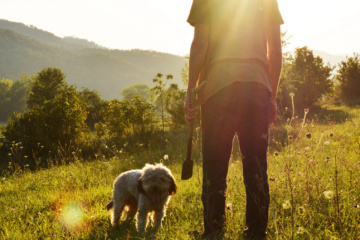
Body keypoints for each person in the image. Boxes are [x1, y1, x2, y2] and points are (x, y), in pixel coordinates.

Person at [184, 0, 284, 239]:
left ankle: (214, 231)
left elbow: (200, 45)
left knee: (215, 165)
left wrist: (190, 91)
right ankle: (257, 231)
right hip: (257, 87)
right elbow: (276, 51)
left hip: (218, 89)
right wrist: (271, 94)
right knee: (256, 165)